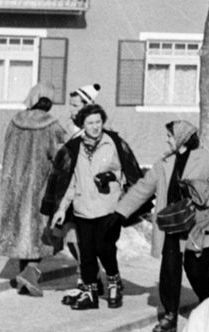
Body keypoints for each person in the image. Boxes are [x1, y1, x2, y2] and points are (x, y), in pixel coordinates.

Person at [123, 120, 209, 332]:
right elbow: (143, 187)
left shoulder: (204, 158)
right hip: (171, 223)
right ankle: (169, 315)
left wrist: (204, 197)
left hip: (197, 225)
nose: (167, 140)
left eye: (170, 136)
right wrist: (119, 212)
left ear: (182, 138)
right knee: (169, 272)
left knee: (196, 270)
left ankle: (206, 302)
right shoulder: (164, 162)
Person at [39, 103, 143, 310]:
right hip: (83, 208)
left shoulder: (114, 143)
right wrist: (61, 209)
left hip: (109, 207)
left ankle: (113, 281)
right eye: (90, 123)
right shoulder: (74, 147)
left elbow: (128, 172)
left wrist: (112, 177)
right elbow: (71, 181)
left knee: (104, 247)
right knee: (86, 252)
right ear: (82, 125)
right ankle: (90, 293)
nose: (95, 126)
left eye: (98, 122)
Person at [0, 80, 69, 297]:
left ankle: (24, 280)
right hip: (39, 188)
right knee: (39, 233)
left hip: (14, 187)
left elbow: (6, 149)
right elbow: (63, 157)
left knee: (21, 233)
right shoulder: (51, 126)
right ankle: (29, 275)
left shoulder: (14, 122)